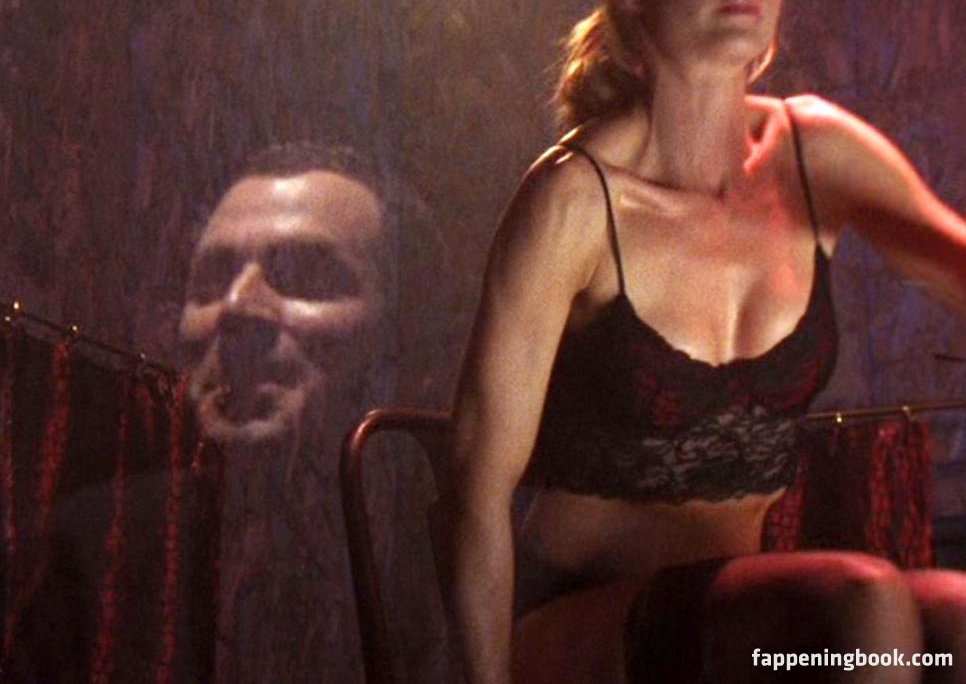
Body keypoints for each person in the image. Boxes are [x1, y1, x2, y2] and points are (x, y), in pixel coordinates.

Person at [446, 1, 966, 683]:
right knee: (862, 608)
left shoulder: (809, 154)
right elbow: (474, 491)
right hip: (578, 622)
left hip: (743, 620)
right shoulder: (574, 199)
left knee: (955, 622)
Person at [179, 142, 397, 683]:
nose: (237, 307)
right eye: (212, 281)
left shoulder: (437, 579)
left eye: (305, 279)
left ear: (399, 345)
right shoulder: (80, 560)